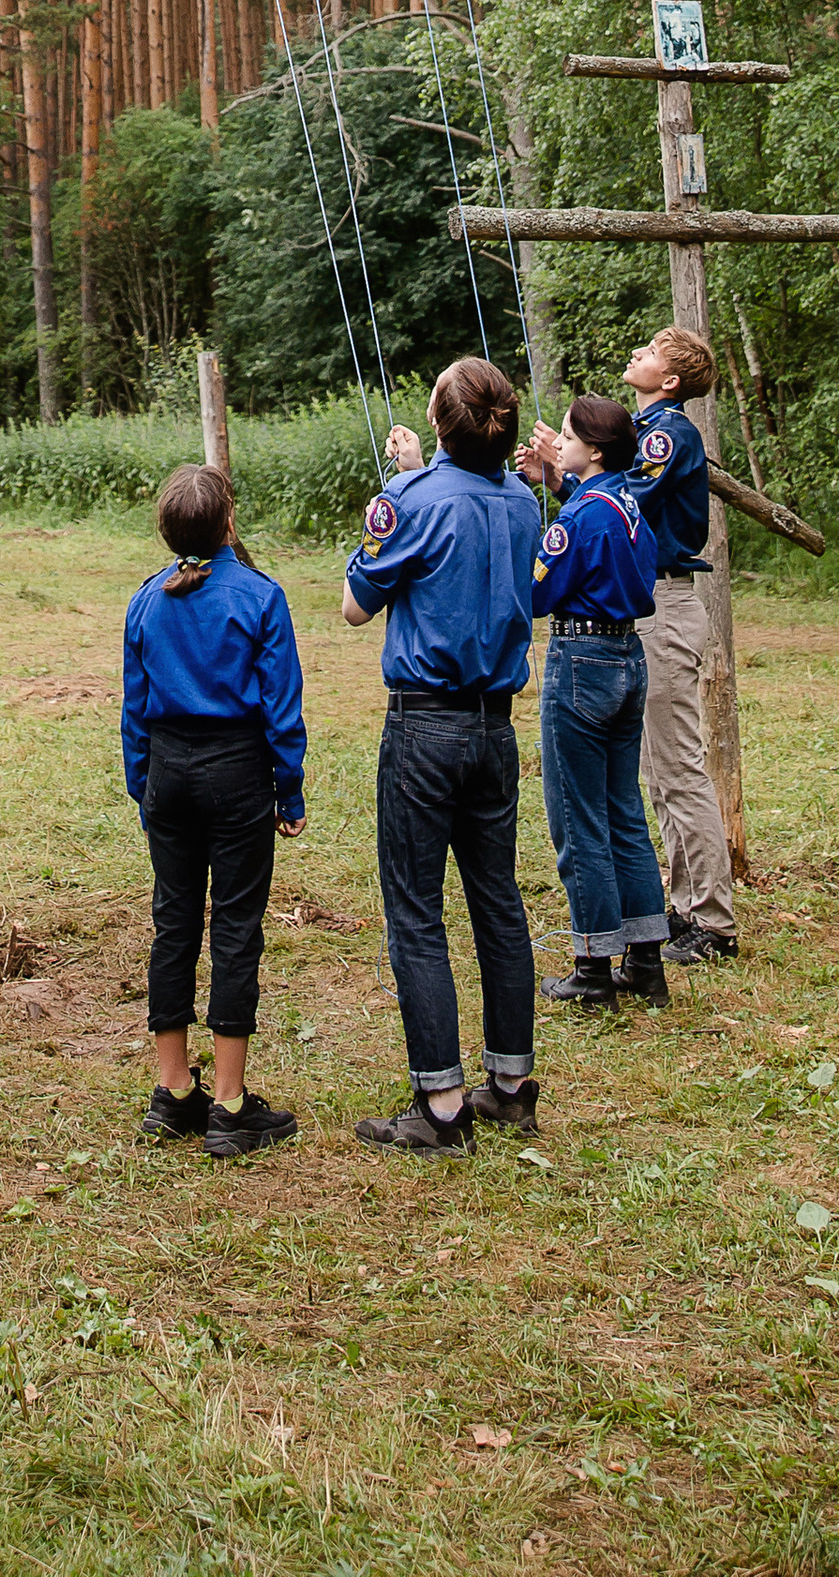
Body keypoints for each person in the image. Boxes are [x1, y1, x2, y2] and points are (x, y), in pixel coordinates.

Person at [341, 356, 543, 1153]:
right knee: (498, 901)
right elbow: (470, 503)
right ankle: (512, 1086)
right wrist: (413, 480)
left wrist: (386, 505)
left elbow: (356, 608)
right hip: (497, 730)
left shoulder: (410, 503)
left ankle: (440, 1107)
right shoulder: (526, 500)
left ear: (438, 420)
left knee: (417, 913)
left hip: (426, 728)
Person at [121, 462, 307, 1162]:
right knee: (234, 927)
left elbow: (133, 708)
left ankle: (172, 1090)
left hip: (169, 772)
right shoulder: (260, 597)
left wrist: (145, 787)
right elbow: (280, 707)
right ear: (229, 521)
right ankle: (227, 1103)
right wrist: (288, 791)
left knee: (173, 922)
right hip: (236, 776)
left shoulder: (146, 601)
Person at [523, 392, 673, 1010]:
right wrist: (557, 485)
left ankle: (591, 967)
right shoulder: (629, 501)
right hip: (628, 658)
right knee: (622, 811)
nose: (558, 441)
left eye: (566, 434)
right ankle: (645, 959)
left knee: (578, 816)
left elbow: (539, 590)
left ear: (597, 448)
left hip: (580, 661)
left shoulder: (579, 518)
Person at [623, 321, 737, 964]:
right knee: (658, 770)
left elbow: (628, 500)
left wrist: (575, 467)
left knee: (679, 767)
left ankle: (714, 923)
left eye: (650, 352)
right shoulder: (642, 433)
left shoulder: (667, 434)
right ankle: (685, 902)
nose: (636, 353)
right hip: (648, 601)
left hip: (666, 604)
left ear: (669, 381)